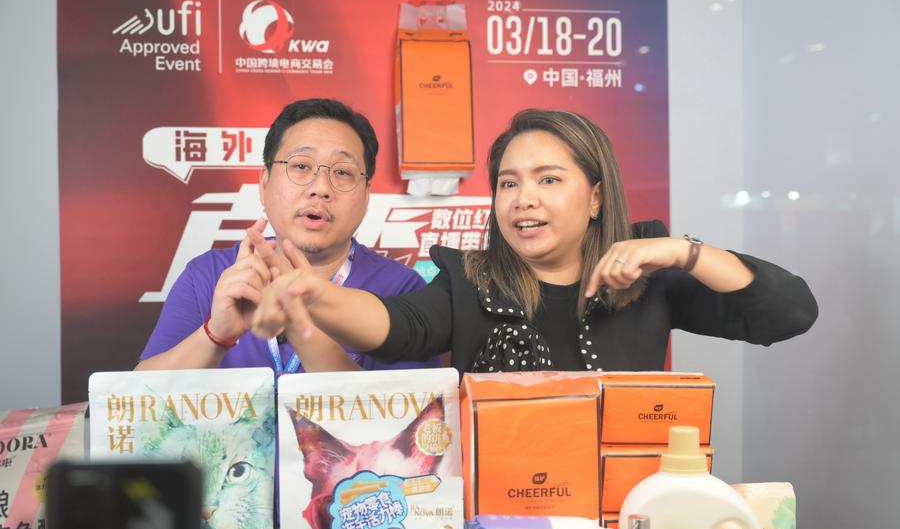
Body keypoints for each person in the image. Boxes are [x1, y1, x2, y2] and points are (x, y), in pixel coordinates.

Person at [249, 109, 818, 374]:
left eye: (548, 180)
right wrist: (311, 293)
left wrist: (683, 252)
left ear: (595, 197)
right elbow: (396, 328)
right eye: (508, 183)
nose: (523, 199)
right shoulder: (467, 280)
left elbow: (788, 313)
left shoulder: (650, 277)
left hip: (625, 522)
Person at [137, 98, 439, 373]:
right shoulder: (208, 275)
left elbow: (411, 415)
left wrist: (302, 328)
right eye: (301, 166)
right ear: (264, 183)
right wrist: (216, 334)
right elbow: (138, 399)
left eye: (343, 172)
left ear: (366, 195)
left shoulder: (402, 289)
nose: (321, 188)